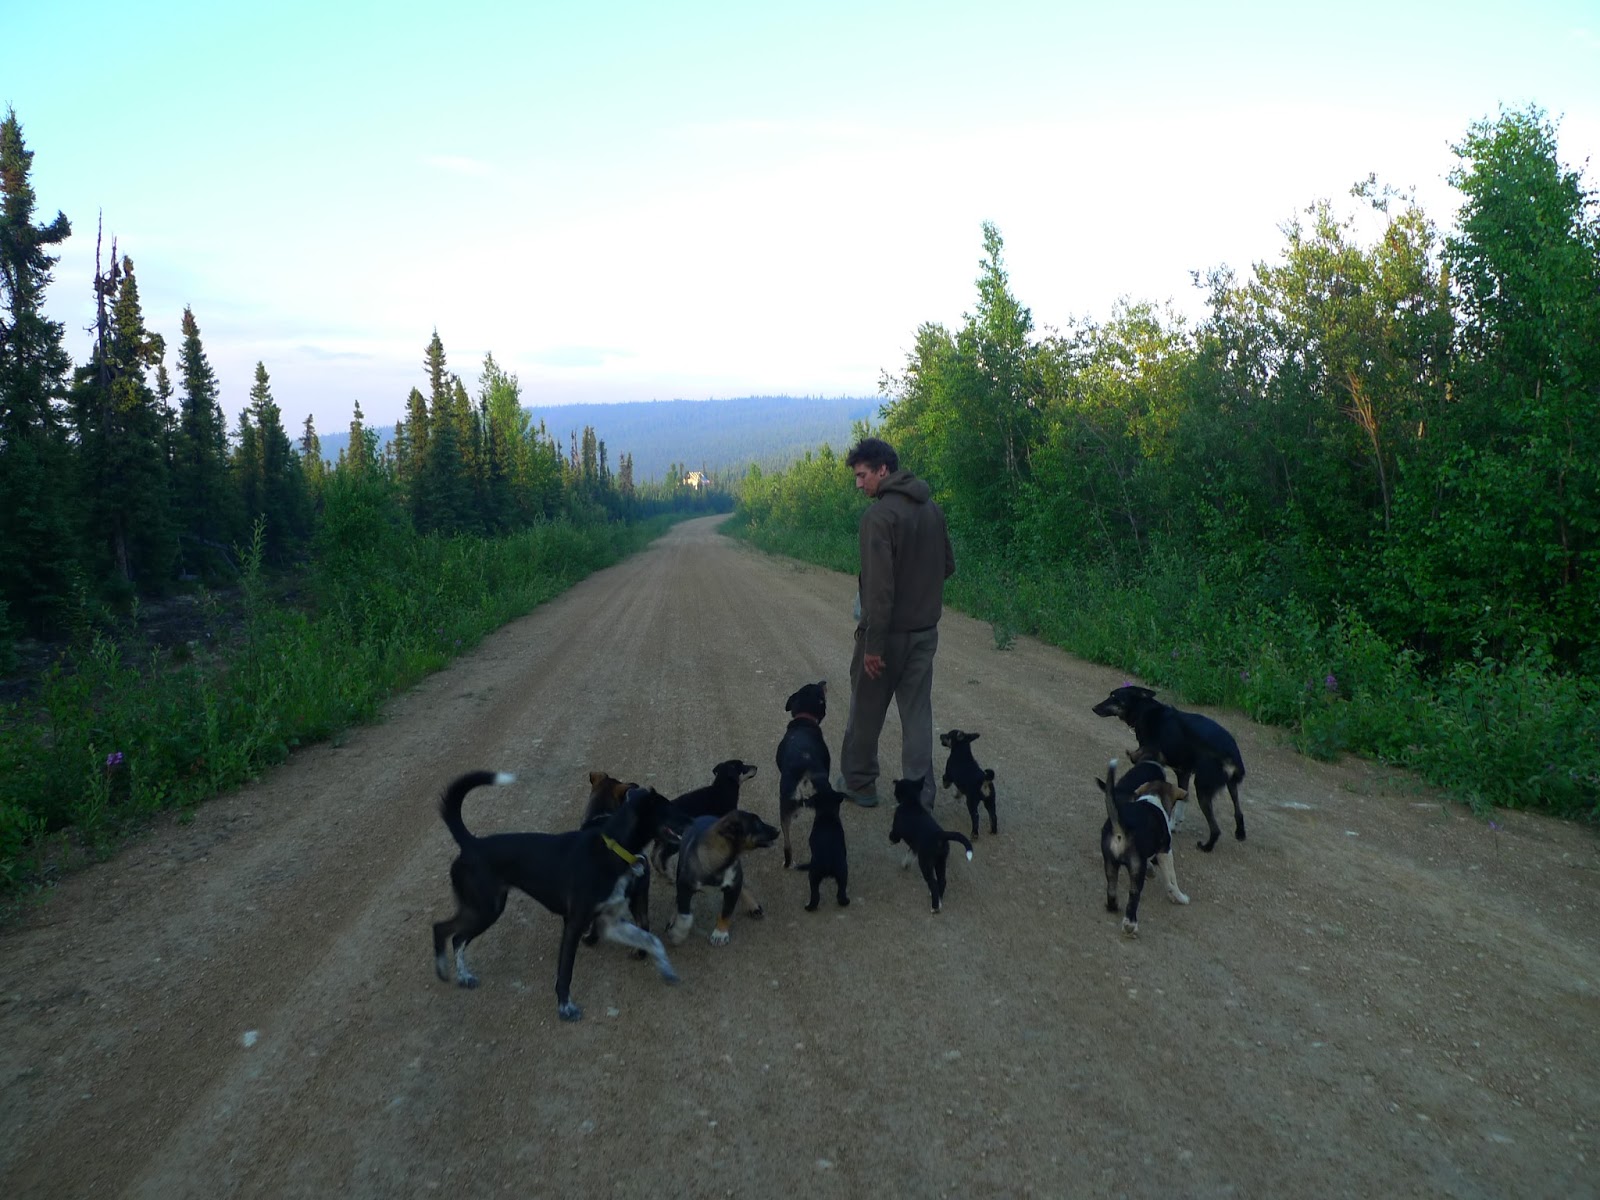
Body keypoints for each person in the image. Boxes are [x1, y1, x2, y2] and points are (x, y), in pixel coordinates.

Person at [837, 437, 955, 810]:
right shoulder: (932, 509)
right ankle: (921, 797)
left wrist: (873, 646)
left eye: (862, 475)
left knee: (866, 712)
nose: (859, 484)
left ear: (883, 470)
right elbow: (947, 566)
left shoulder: (878, 517)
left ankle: (859, 783)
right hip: (924, 633)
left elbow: (878, 589)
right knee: (917, 717)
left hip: (886, 637)